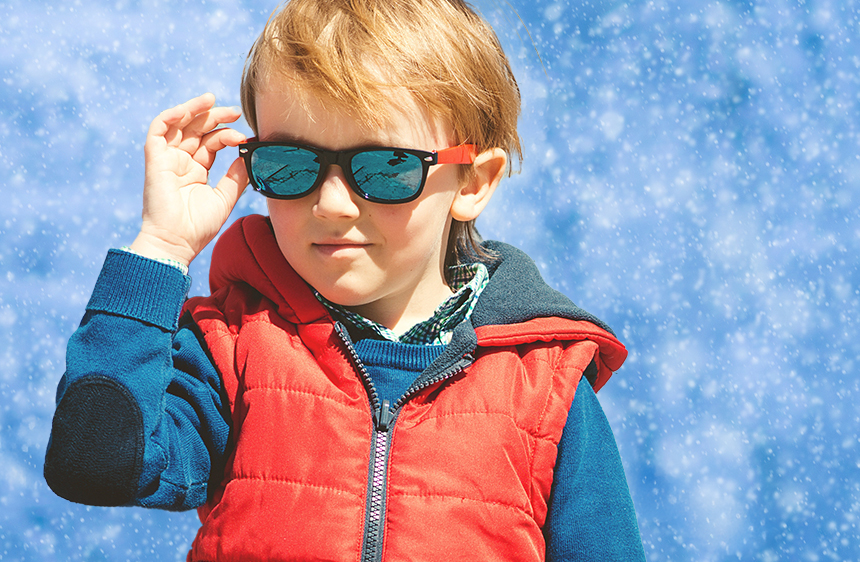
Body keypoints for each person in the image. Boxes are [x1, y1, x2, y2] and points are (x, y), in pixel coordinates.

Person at [44, 0, 646, 560]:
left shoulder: (547, 385)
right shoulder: (233, 348)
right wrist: (160, 248)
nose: (331, 204)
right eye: (290, 165)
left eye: (385, 166)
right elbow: (93, 462)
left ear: (472, 182)